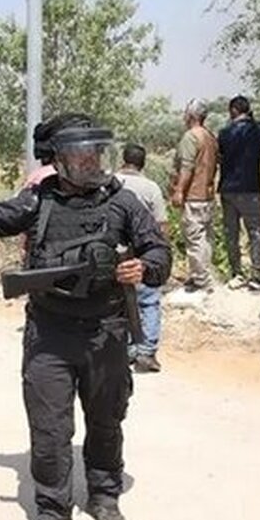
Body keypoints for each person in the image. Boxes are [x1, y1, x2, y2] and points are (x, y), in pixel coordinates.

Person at [0, 113, 171, 520]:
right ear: (59, 161)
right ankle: (54, 516)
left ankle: (104, 497)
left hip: (106, 333)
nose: (92, 163)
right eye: (81, 156)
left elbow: (159, 251)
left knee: (107, 422)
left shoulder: (123, 202)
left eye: (96, 154)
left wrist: (144, 267)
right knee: (49, 431)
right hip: (50, 335)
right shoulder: (37, 201)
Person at [115, 143, 169, 373]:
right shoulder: (151, 187)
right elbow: (161, 224)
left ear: (123, 160)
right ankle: (146, 352)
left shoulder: (112, 183)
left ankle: (127, 348)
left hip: (116, 253)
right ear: (143, 163)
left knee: (121, 301)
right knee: (148, 301)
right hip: (144, 253)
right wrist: (160, 256)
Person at [217, 95, 260, 290]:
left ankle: (236, 273)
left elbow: (220, 157)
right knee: (255, 232)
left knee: (231, 233)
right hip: (251, 188)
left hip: (228, 188)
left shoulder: (224, 133)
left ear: (233, 110)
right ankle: (257, 273)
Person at [171, 98, 218, 292]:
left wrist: (179, 190)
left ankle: (202, 280)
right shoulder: (210, 136)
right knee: (206, 238)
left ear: (190, 115)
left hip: (194, 196)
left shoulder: (191, 137)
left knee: (194, 239)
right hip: (207, 195)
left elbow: (187, 167)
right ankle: (202, 274)